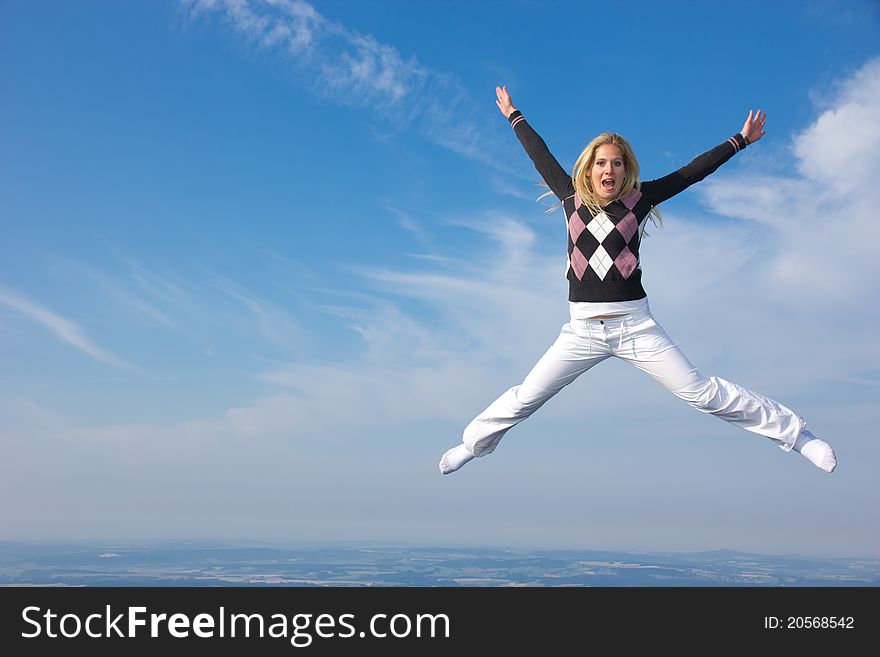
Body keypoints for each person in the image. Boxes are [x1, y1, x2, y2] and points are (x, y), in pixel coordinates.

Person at [439, 85, 836, 475]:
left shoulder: (641, 199)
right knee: (527, 396)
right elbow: (538, 154)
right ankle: (472, 445)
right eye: (600, 162)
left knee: (700, 392)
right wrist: (513, 114)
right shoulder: (568, 199)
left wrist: (740, 140)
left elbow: (691, 172)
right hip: (582, 332)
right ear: (588, 169)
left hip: (636, 326)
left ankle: (797, 435)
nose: (608, 169)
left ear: (626, 169)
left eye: (616, 163)